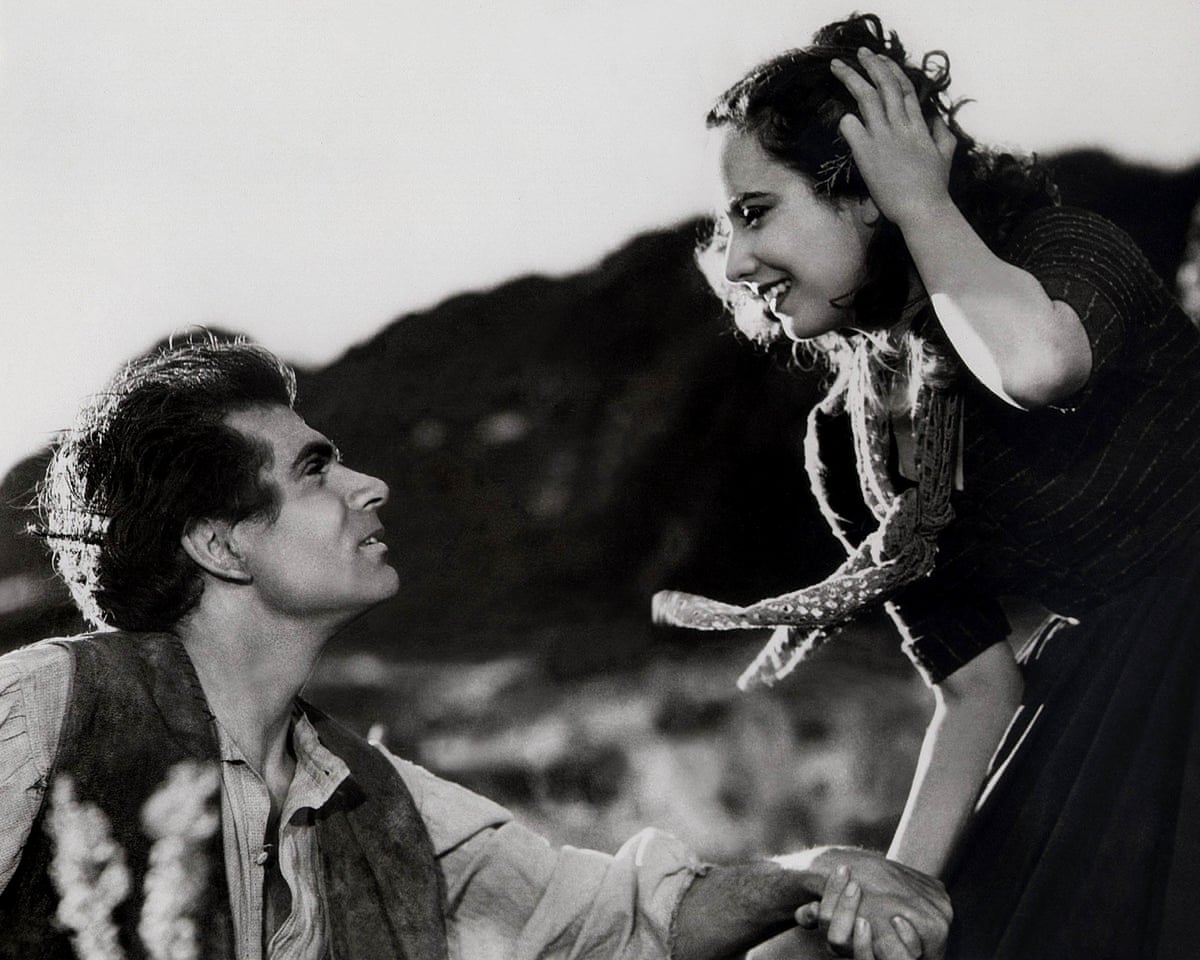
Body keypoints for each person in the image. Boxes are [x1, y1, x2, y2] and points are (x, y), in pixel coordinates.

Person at [0, 335, 950, 960]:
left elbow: (621, 920)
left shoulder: (381, 801)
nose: (372, 487)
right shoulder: (44, 707)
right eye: (316, 470)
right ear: (219, 542)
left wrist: (814, 871)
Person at [652, 12, 1200, 960]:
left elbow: (1035, 367)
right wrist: (889, 902)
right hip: (1114, 708)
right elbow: (976, 687)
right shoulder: (852, 439)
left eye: (754, 212)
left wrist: (921, 202)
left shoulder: (1061, 257)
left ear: (866, 194)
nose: (735, 261)